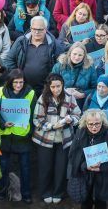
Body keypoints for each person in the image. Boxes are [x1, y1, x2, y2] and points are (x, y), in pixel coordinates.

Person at [32, 73, 81, 204]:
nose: (56, 89)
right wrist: (53, 126)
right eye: (53, 87)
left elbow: (78, 114)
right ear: (49, 87)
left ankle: (58, 192)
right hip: (45, 139)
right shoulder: (43, 99)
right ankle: (45, 192)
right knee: (45, 167)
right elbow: (37, 120)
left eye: (58, 86)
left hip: (64, 140)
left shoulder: (70, 97)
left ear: (62, 85)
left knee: (61, 167)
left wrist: (71, 120)